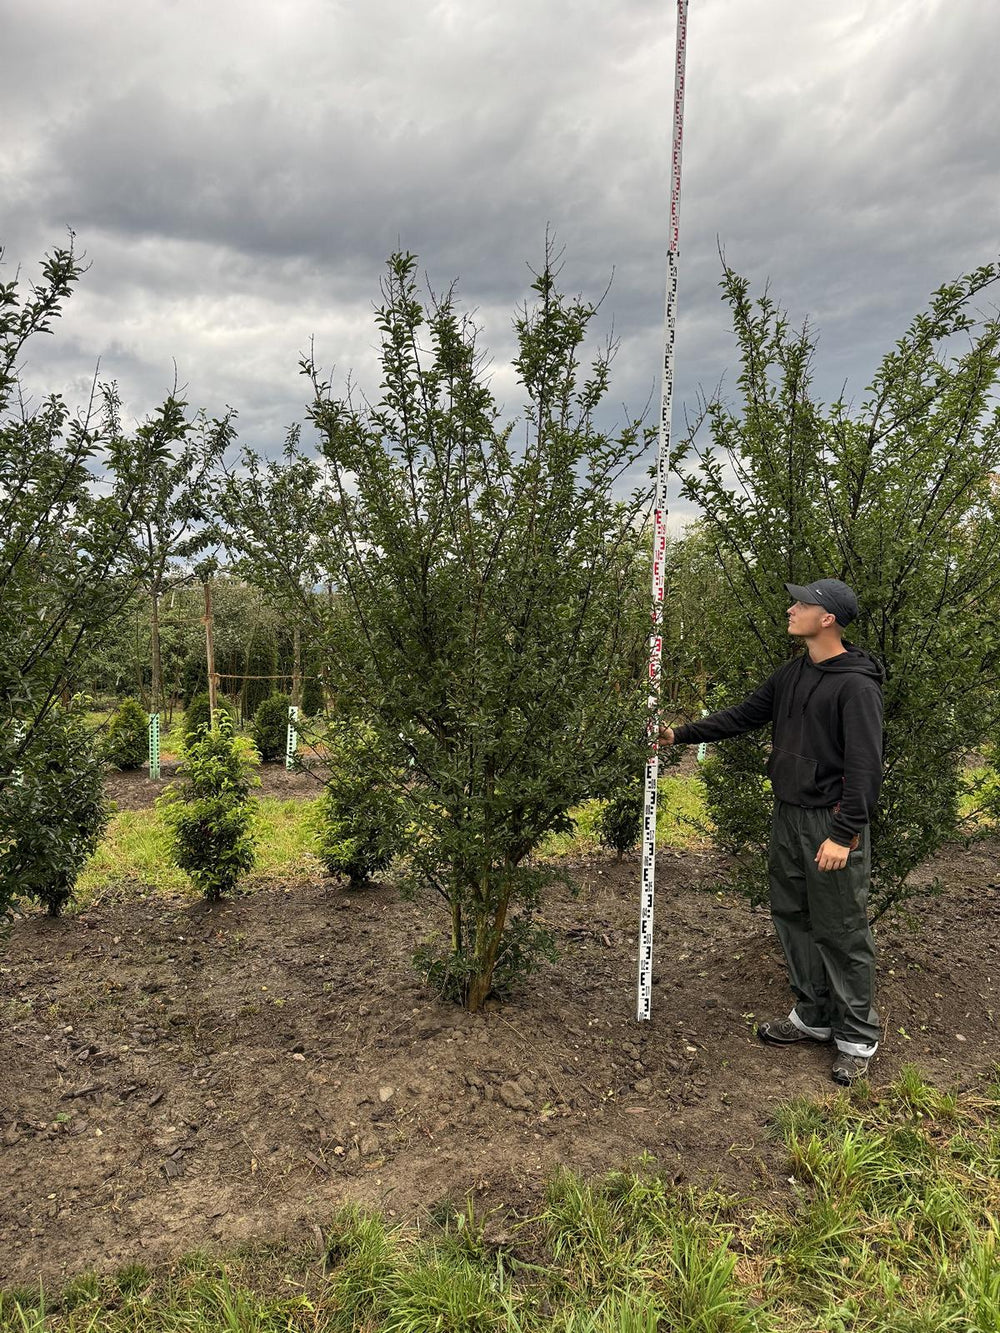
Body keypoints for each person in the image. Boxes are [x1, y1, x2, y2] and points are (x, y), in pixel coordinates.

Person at [662, 579, 884, 1085]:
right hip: (788, 815)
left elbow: (866, 767)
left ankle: (857, 1037)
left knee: (841, 927)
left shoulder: (856, 685)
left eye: (803, 603)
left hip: (830, 823)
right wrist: (680, 734)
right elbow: (744, 715)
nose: (792, 608)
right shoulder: (792, 673)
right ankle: (814, 1016)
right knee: (792, 914)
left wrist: (844, 832)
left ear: (827, 618)